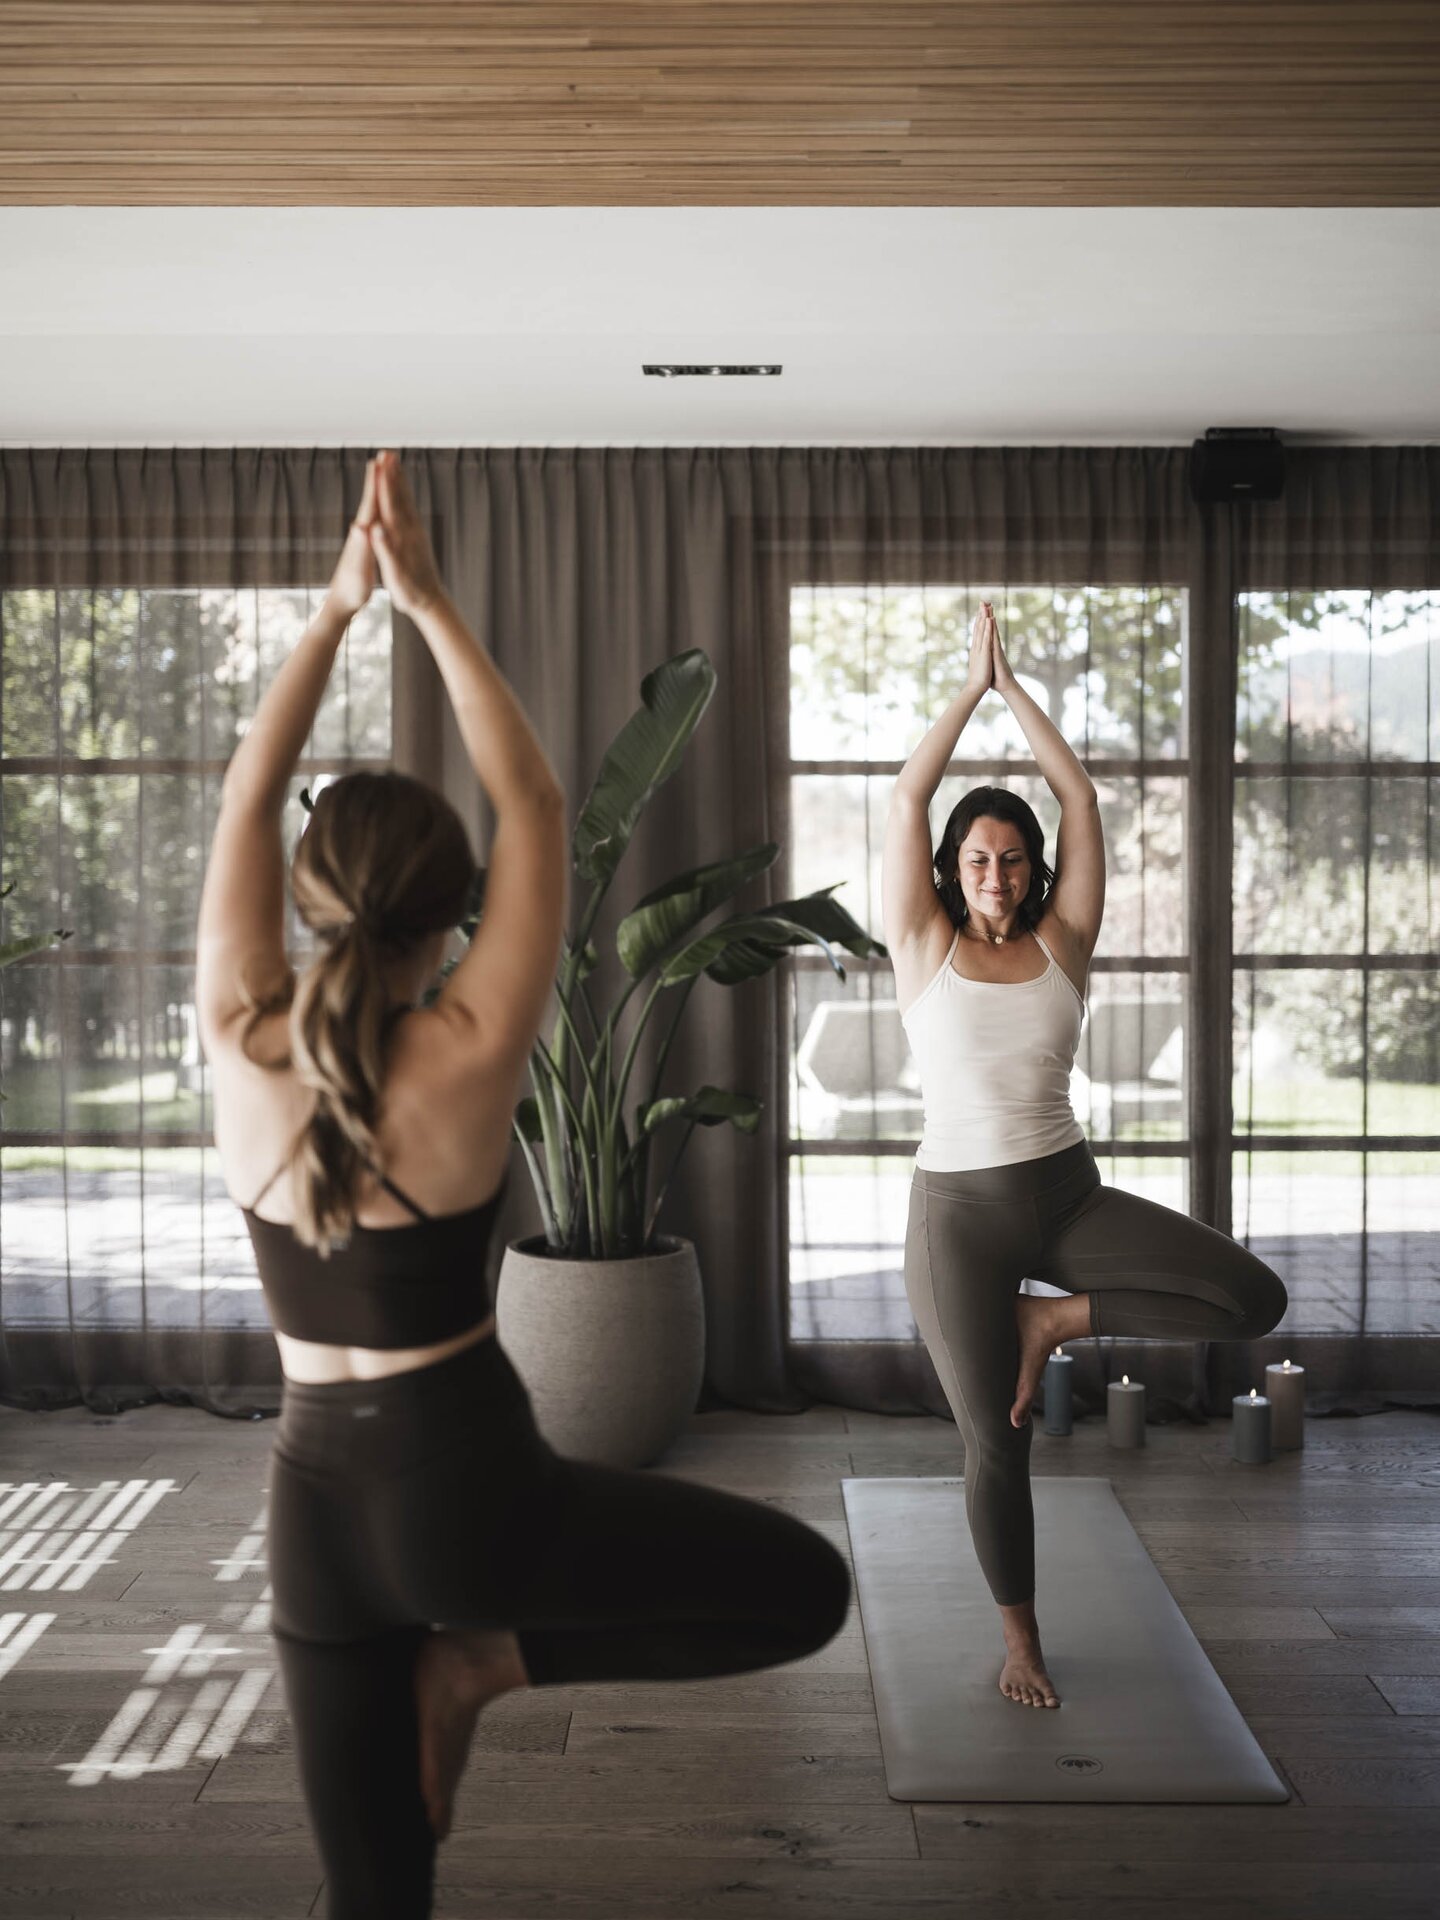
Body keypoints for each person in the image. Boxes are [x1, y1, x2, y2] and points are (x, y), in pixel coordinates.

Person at [195, 450, 851, 1919]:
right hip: (467, 1488)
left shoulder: (241, 1040)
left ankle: (465, 1670)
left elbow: (245, 801)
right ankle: (487, 1664)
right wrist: (415, 597)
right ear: (448, 915)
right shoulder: (475, 1044)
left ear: (309, 899)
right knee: (805, 1591)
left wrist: (327, 617)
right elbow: (538, 805)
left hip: (310, 1503)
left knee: (378, 1900)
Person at [882, 602, 1287, 1712]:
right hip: (956, 1216)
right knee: (996, 1442)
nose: (998, 877)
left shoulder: (1068, 941)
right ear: (950, 870)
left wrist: (1021, 696)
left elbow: (1086, 798)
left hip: (1067, 1191)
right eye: (976, 860)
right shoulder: (923, 945)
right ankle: (1021, 1639)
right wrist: (970, 690)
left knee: (1253, 1299)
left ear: (1035, 868)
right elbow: (908, 796)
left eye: (1013, 860)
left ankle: (1054, 1319)